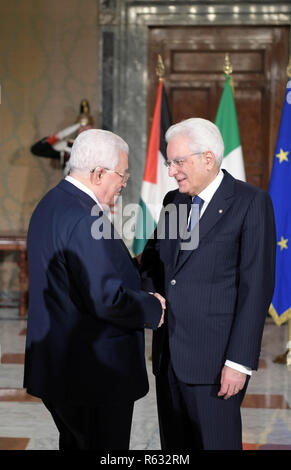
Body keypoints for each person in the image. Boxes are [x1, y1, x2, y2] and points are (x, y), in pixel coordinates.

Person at [24, 129, 165, 450]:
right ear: (99, 173)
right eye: (122, 174)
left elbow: (79, 278)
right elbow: (105, 299)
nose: (124, 183)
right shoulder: (85, 218)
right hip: (93, 375)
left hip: (59, 369)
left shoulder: (52, 203)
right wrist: (153, 308)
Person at [140, 117, 276, 450]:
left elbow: (255, 289)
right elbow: (155, 263)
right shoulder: (174, 201)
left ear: (208, 159)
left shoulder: (250, 203)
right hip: (169, 358)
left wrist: (239, 361)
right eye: (169, 162)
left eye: (177, 162)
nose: (171, 171)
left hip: (217, 365)